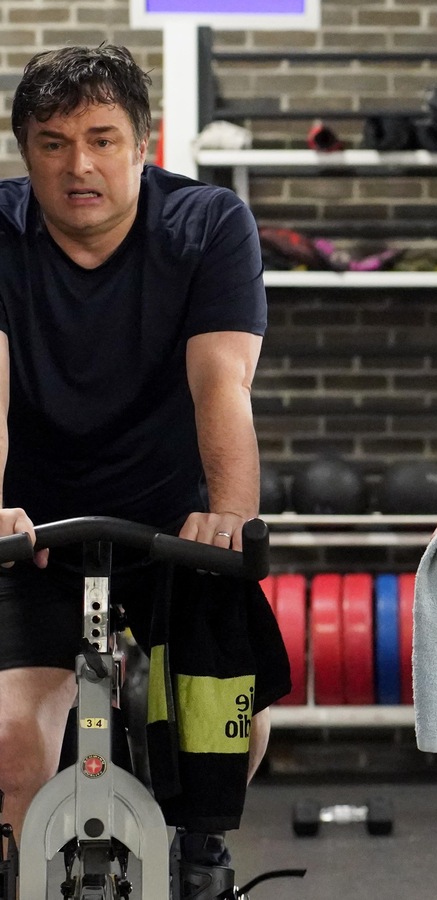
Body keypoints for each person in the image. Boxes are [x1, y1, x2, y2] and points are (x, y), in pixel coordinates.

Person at [0, 45, 272, 895]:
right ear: (25, 152)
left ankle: (199, 849)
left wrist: (229, 510)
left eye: (101, 139)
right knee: (14, 744)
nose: (78, 164)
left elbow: (221, 381)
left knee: (233, 722)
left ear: (143, 144)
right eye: (52, 142)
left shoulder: (208, 224)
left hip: (172, 522)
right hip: (32, 529)